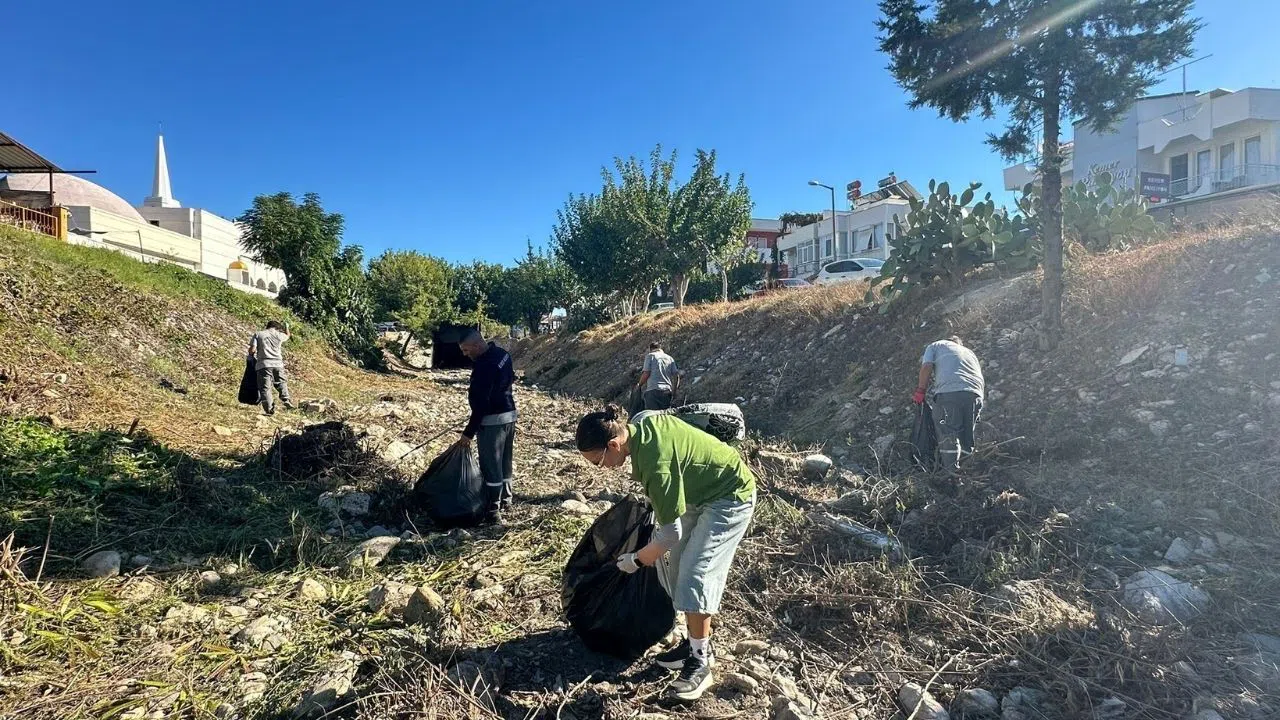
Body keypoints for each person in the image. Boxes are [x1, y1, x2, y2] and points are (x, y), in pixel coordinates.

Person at [575, 404, 756, 702]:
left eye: (599, 461)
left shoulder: (653, 463)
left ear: (613, 444)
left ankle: (700, 662)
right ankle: (693, 641)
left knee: (696, 572)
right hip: (698, 494)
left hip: (729, 495)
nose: (602, 469)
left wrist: (635, 560)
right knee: (675, 570)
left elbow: (671, 534)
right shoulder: (639, 424)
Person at [455, 329, 517, 524]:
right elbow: (510, 378)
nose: (465, 354)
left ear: (477, 345)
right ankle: (507, 500)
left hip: (492, 421)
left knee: (491, 466)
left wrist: (468, 432)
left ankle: (492, 510)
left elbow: (481, 403)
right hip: (509, 415)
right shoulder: (502, 355)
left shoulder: (484, 366)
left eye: (466, 350)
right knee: (505, 461)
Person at [913, 335, 985, 474]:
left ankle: (952, 476)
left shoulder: (936, 345)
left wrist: (920, 391)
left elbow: (927, 366)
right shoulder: (969, 352)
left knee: (948, 434)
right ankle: (966, 474)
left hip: (950, 393)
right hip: (975, 394)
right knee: (966, 437)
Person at [247, 320, 293, 415]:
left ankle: (269, 409)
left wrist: (251, 356)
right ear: (276, 328)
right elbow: (288, 335)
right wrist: (287, 327)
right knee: (281, 382)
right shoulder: (279, 335)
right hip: (278, 364)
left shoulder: (259, 334)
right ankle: (286, 400)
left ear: (267, 326)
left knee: (265, 388)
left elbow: (252, 350)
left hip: (263, 364)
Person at [637, 342, 680, 411]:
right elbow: (676, 376)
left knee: (653, 416)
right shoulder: (670, 358)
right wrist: (674, 392)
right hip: (666, 391)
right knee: (665, 415)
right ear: (660, 348)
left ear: (651, 349)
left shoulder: (650, 356)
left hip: (653, 391)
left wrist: (639, 385)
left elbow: (646, 373)